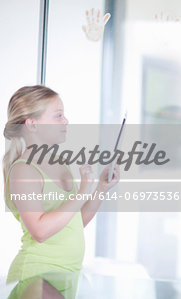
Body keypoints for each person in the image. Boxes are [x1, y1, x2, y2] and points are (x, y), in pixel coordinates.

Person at [3, 85, 120, 299]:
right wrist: (82, 193)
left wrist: (100, 188)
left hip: (67, 275)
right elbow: (39, 230)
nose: (66, 121)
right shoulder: (23, 169)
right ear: (32, 124)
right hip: (37, 277)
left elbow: (74, 221)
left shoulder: (60, 163)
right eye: (58, 116)